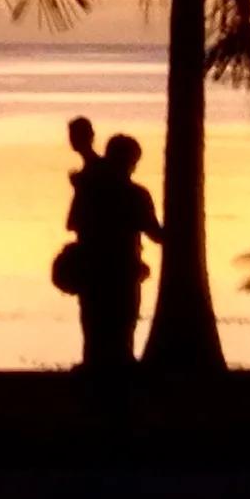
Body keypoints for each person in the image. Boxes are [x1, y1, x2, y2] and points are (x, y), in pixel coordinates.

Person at [65, 130, 162, 376]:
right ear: (129, 162)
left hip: (93, 268)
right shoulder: (136, 194)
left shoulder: (90, 190)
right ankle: (118, 369)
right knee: (122, 323)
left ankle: (96, 369)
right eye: (133, 162)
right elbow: (156, 234)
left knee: (94, 323)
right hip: (123, 269)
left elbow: (72, 223)